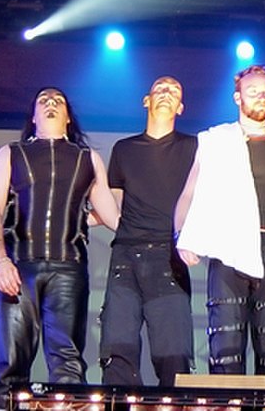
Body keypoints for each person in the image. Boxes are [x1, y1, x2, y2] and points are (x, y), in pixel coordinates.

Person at [0, 87, 120, 410]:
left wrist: (80, 217)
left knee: (68, 364)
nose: (51, 104)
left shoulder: (87, 158)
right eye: (43, 101)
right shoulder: (11, 153)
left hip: (68, 269)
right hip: (19, 264)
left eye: (58, 100)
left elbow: (114, 217)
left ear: (68, 116)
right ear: (33, 116)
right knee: (10, 364)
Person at [174, 65, 265, 390]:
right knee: (226, 351)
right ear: (237, 97)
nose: (261, 96)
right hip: (228, 249)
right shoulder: (217, 140)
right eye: (253, 91)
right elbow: (190, 192)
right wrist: (182, 236)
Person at [99, 76, 197, 386]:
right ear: (146, 100)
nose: (167, 93)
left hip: (169, 256)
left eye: (174, 91)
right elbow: (114, 205)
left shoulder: (194, 147)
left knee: (174, 356)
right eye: (160, 89)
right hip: (126, 256)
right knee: (118, 349)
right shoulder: (124, 149)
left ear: (181, 107)